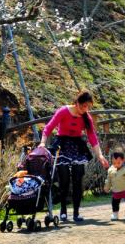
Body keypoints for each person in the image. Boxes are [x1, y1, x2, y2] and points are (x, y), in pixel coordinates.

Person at [39, 89, 109, 222]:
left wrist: (99, 155)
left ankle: (76, 212)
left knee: (78, 179)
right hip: (62, 145)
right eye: (84, 106)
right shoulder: (63, 111)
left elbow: (92, 137)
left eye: (88, 107)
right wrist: (42, 143)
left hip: (77, 146)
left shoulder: (86, 117)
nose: (86, 109)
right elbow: (48, 127)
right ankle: (63, 210)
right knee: (64, 179)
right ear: (77, 103)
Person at [104, 149, 125, 221]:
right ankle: (115, 214)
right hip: (116, 190)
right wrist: (107, 187)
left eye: (118, 162)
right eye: (114, 163)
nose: (116, 164)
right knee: (114, 202)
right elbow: (108, 180)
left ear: (123, 160)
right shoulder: (110, 170)